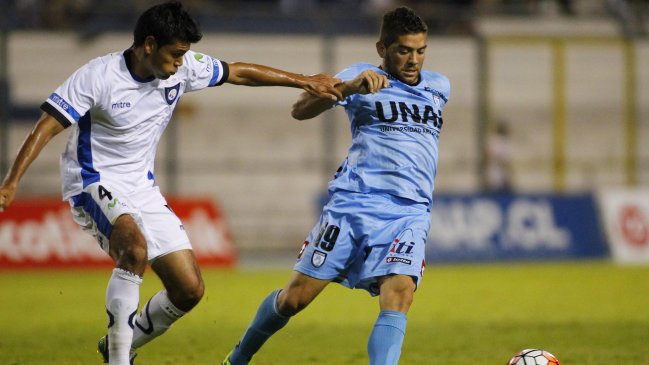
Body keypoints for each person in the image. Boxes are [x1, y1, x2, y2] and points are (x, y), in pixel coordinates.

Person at [0, 2, 341, 365]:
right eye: (176, 54)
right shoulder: (98, 76)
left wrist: (303, 80)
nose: (181, 63)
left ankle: (119, 342)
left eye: (184, 55)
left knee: (189, 290)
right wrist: (11, 182)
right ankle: (119, 358)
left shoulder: (182, 69)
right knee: (133, 248)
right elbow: (47, 125)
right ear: (149, 44)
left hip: (141, 187)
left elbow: (238, 72)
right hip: (92, 179)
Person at [221, 6, 450, 365]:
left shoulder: (439, 86)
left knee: (401, 292)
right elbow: (300, 109)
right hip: (353, 206)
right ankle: (236, 359)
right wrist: (347, 88)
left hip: (409, 212)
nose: (413, 60)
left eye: (420, 50)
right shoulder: (360, 76)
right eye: (404, 50)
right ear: (382, 48)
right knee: (294, 300)